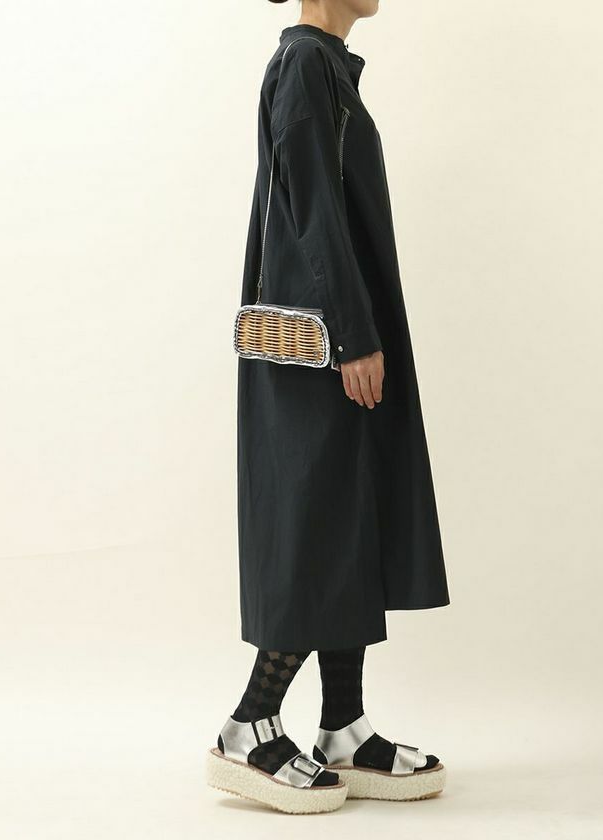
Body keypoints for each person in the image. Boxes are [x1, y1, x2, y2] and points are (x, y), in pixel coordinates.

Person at [206, 0, 450, 814]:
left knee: (348, 523)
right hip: (320, 351)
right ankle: (248, 725)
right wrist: (351, 334)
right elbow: (308, 208)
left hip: (338, 340)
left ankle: (343, 725)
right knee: (315, 528)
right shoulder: (305, 62)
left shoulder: (324, 66)